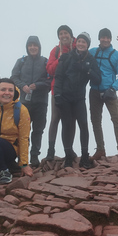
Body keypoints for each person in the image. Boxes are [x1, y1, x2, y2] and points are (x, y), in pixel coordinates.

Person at [54, 32, 101, 169]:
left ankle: (84, 156)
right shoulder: (67, 57)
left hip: (79, 98)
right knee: (66, 126)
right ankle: (68, 155)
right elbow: (59, 76)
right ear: (76, 43)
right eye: (79, 41)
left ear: (87, 45)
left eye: (84, 42)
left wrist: (87, 70)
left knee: (83, 125)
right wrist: (57, 95)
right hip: (65, 97)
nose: (81, 44)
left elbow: (98, 78)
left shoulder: (90, 59)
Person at [88, 28, 118, 160]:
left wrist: (113, 89)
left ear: (110, 39)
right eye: (103, 37)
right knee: (95, 121)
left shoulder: (117, 55)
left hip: (110, 91)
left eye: (107, 37)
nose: (105, 40)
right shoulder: (92, 52)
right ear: (99, 38)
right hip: (94, 91)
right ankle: (100, 149)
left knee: (116, 118)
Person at [11, 36, 51, 167]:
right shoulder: (21, 61)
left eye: (35, 45)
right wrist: (23, 86)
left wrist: (37, 85)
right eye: (30, 45)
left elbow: (50, 81)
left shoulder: (46, 62)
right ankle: (22, 158)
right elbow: (14, 77)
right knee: (23, 131)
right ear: (27, 47)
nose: (32, 48)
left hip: (41, 102)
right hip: (24, 103)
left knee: (38, 130)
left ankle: (34, 157)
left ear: (39, 47)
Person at [45, 25, 76, 161]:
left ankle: (69, 150)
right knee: (55, 118)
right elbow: (50, 69)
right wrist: (60, 58)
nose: (63, 35)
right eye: (61, 33)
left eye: (66, 33)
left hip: (74, 90)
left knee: (71, 120)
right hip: (57, 89)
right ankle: (50, 151)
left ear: (71, 35)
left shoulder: (77, 47)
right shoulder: (56, 50)